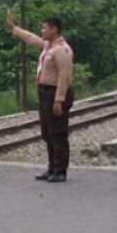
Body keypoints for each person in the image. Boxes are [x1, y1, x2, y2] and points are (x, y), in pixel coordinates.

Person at [6, 10, 74, 182]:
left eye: (44, 28)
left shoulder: (62, 50)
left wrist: (59, 99)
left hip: (55, 92)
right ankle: (51, 167)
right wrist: (14, 28)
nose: (42, 31)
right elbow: (31, 38)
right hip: (44, 92)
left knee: (58, 132)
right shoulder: (48, 46)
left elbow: (64, 76)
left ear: (54, 29)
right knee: (48, 132)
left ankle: (60, 170)